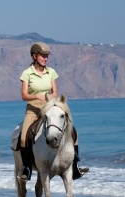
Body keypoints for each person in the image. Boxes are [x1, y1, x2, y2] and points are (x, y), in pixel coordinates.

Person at [18, 42, 88, 181]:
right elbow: (24, 95)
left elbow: (55, 90)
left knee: (73, 131)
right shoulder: (27, 73)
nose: (45, 58)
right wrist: (36, 96)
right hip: (33, 108)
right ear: (34, 56)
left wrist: (50, 97)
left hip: (49, 106)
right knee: (24, 137)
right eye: (43, 56)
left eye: (46, 56)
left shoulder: (51, 72)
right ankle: (26, 168)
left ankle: (74, 166)